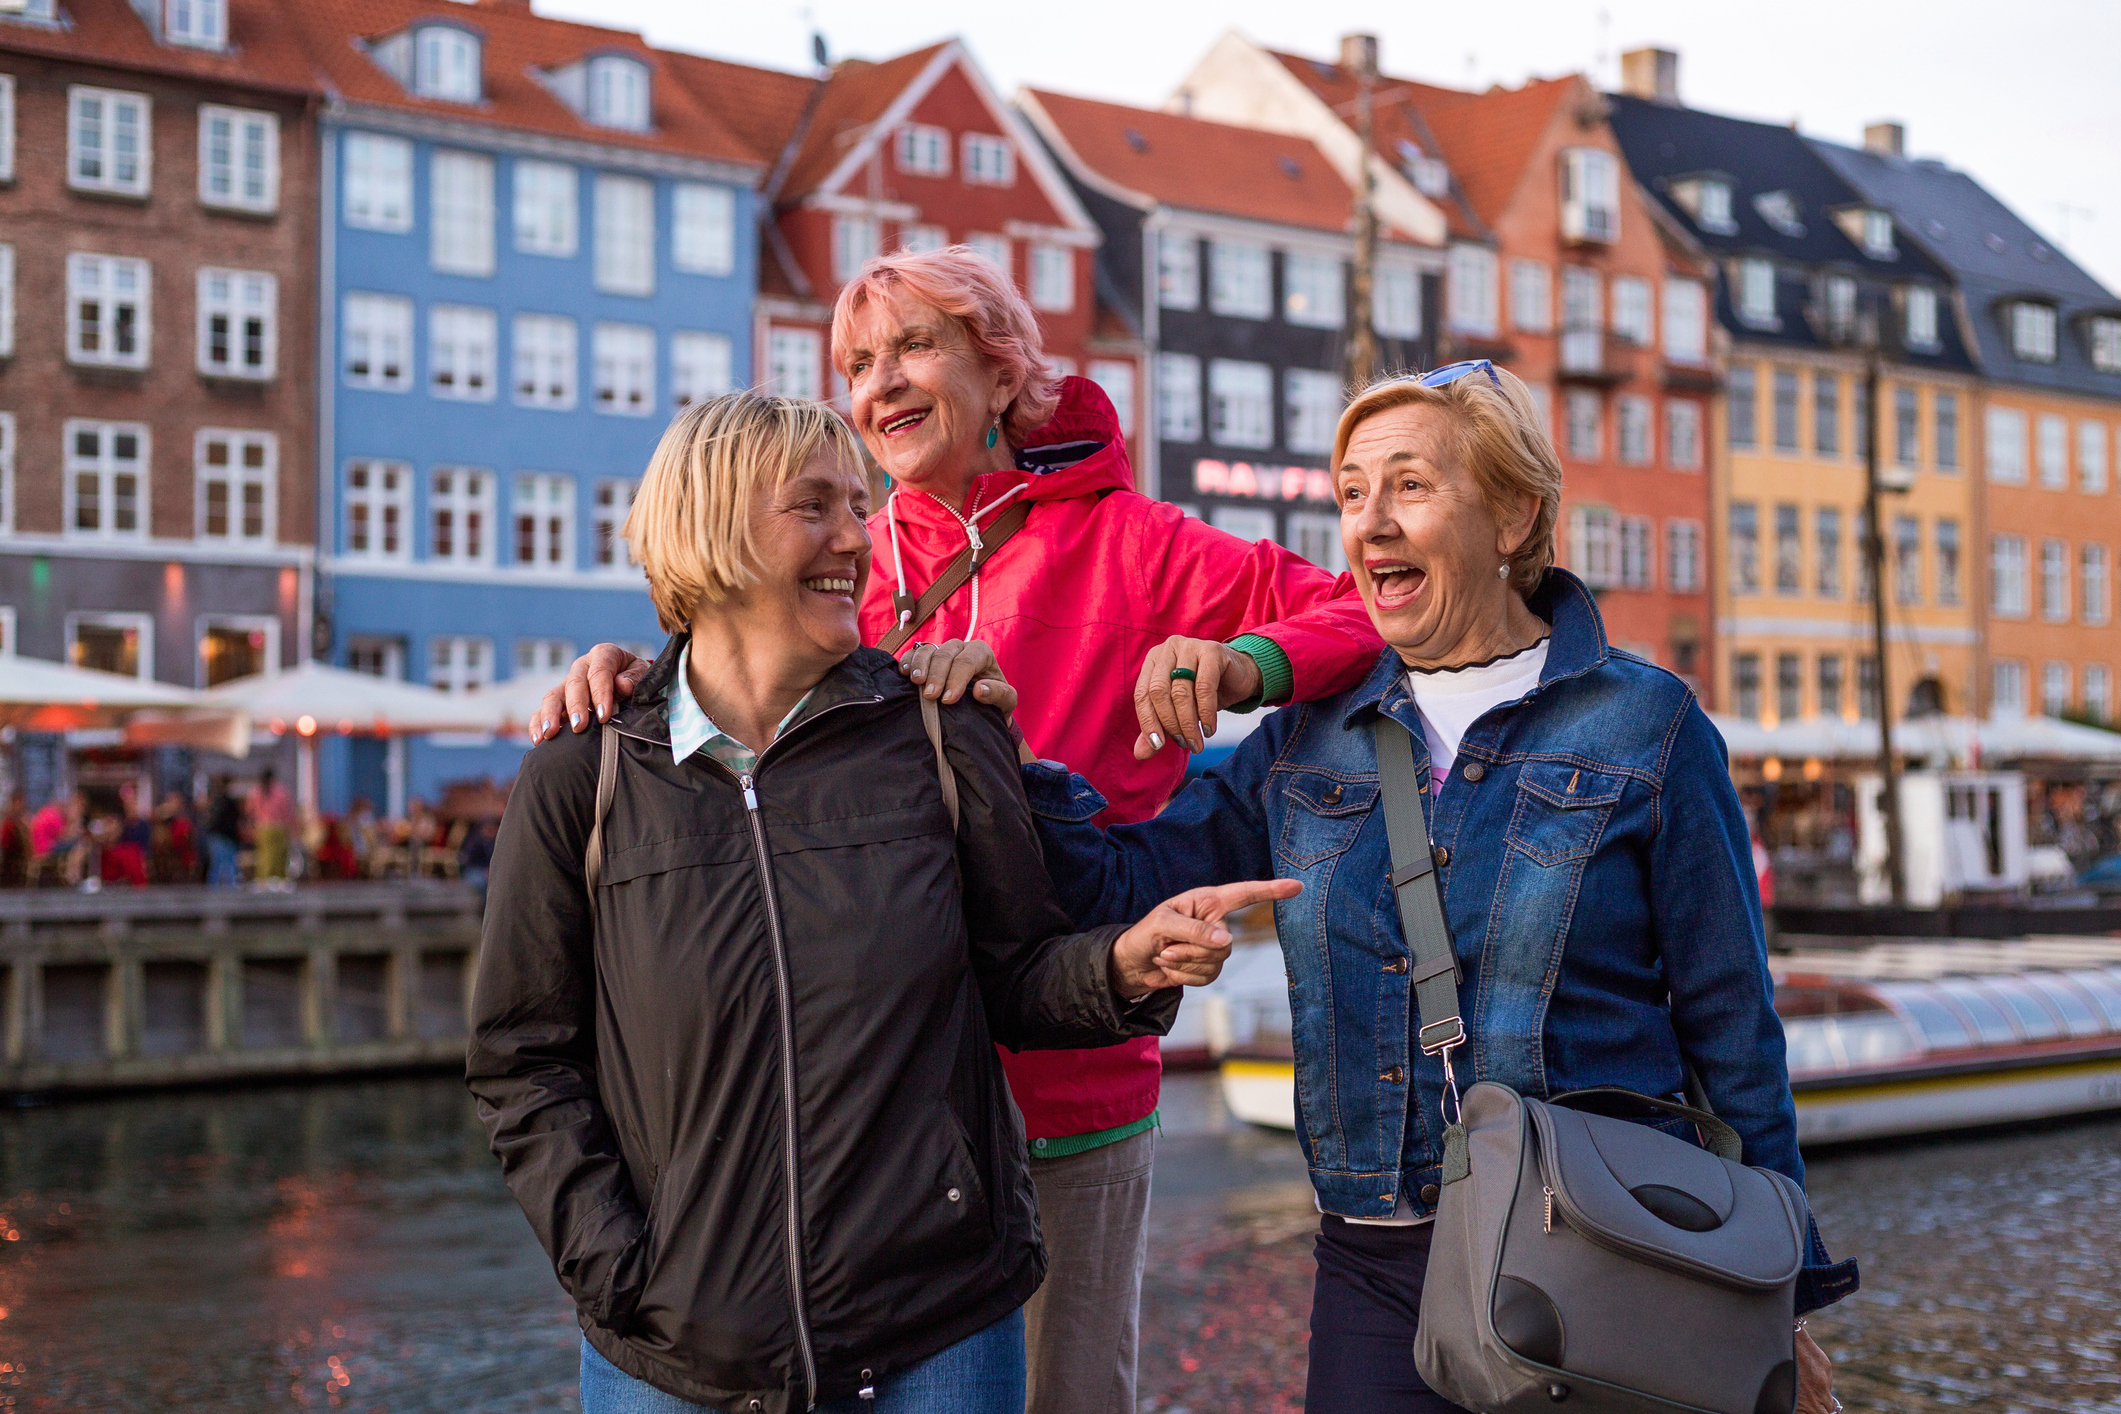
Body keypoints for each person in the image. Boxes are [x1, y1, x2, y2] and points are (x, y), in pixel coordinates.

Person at [533, 246, 1383, 1414]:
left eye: (914, 346)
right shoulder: (850, 564)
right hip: (871, 1107)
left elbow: (1361, 610)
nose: (879, 383)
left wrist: (1244, 661)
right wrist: (637, 674)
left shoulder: (1138, 546)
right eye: (857, 363)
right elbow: (729, 700)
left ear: (1001, 369)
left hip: (1067, 1063)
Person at [1010, 364, 1855, 1413]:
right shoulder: (1305, 738)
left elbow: (1733, 1027)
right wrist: (997, 741)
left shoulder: (1650, 725)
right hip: (1375, 1261)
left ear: (1513, 513)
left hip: (1605, 1247)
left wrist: (1785, 1292)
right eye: (1354, 492)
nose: (1371, 522)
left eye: (1410, 485)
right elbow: (1118, 876)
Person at [250, 769, 291, 888]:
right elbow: (286, 810)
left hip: (262, 827)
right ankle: (278, 879)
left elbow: (250, 810)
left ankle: (263, 880)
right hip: (278, 827)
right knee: (279, 855)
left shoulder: (256, 791)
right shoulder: (280, 790)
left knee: (264, 855)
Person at [204, 780, 245, 889]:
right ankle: (227, 888)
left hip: (219, 836)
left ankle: (214, 888)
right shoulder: (227, 802)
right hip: (224, 837)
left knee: (219, 865)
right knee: (226, 865)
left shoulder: (216, 802)